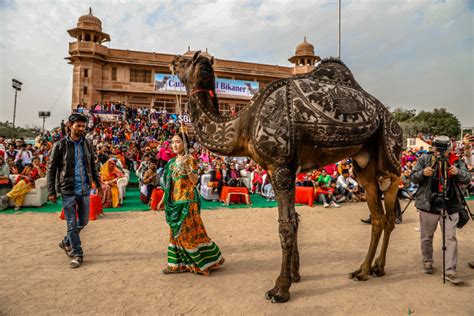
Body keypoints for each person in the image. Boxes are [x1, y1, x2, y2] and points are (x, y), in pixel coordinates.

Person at [157, 133, 224, 275]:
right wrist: (163, 199)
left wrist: (187, 168)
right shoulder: (171, 163)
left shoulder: (191, 160)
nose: (174, 145)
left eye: (178, 142)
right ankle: (177, 265)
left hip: (188, 200)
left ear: (185, 144)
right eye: (173, 142)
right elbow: (169, 184)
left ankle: (200, 263)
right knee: (175, 232)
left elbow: (194, 181)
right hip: (174, 201)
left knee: (188, 232)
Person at [411, 136, 470, 285]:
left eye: (443, 148)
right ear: (433, 147)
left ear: (449, 147)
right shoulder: (425, 159)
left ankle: (450, 271)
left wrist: (458, 172)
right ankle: (427, 261)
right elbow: (412, 178)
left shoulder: (456, 160)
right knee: (426, 237)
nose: (440, 152)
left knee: (450, 238)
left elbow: (467, 178)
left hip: (450, 205)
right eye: (438, 148)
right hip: (428, 204)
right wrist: (423, 173)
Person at [47, 113, 102, 269]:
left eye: (83, 126)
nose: (81, 129)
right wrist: (52, 191)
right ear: (70, 126)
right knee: (71, 224)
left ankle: (66, 242)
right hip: (68, 189)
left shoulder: (88, 144)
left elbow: (92, 166)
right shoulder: (59, 145)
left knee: (83, 221)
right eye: (78, 125)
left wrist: (98, 185)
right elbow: (51, 170)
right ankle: (78, 254)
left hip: (84, 188)